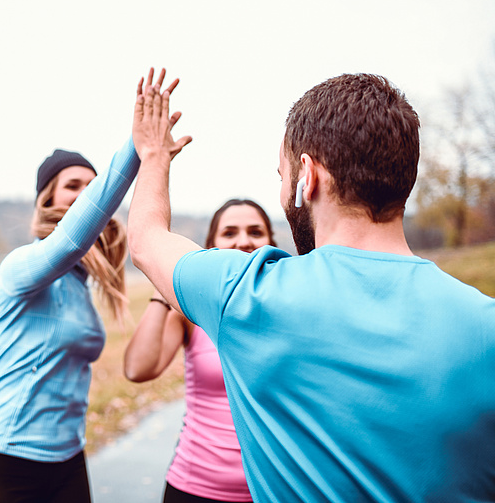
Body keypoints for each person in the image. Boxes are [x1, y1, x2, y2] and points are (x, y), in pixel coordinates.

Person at [127, 71, 495, 501]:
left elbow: (146, 239)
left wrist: (153, 155)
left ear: (308, 176)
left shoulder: (246, 296)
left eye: (281, 174)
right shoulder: (485, 325)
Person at [0, 70, 181, 503]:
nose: (83, 195)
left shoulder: (80, 283)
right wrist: (137, 151)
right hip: (4, 460)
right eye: (72, 187)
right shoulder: (22, 268)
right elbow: (70, 239)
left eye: (90, 186)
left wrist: (158, 164)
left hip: (67, 461)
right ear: (46, 199)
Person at [124, 198, 275, 503]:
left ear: (271, 243)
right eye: (229, 232)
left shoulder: (285, 308)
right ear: (211, 247)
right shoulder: (190, 314)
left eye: (255, 232)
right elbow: (138, 368)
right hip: (194, 487)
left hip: (269, 492)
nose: (243, 240)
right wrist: (167, 283)